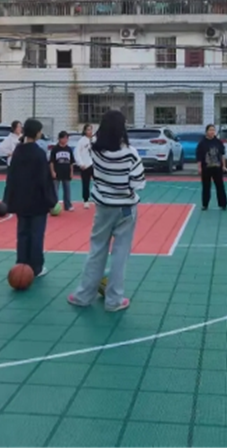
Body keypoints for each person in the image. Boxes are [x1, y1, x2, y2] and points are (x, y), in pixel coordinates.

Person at [68, 110, 145, 312]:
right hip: (125, 208)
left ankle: (83, 296)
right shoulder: (130, 153)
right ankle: (114, 300)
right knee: (120, 254)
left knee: (97, 250)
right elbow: (138, 182)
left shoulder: (95, 150)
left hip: (103, 207)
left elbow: (92, 166)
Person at [4, 119, 58, 277]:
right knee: (36, 235)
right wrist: (51, 201)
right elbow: (44, 180)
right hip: (37, 201)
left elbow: (11, 177)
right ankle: (36, 267)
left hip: (21, 200)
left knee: (22, 234)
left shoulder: (18, 151)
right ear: (37, 133)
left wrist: (9, 199)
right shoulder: (39, 153)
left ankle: (21, 263)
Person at [195, 124, 227, 211]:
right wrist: (199, 168)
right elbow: (199, 157)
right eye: (210, 130)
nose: (212, 132)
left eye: (213, 130)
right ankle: (205, 204)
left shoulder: (218, 142)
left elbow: (222, 155)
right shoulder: (202, 143)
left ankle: (223, 204)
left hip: (217, 168)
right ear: (206, 132)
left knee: (220, 186)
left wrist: (224, 166)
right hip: (206, 168)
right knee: (206, 187)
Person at [50, 131, 75, 212]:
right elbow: (51, 162)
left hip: (66, 172)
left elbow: (71, 162)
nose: (65, 140)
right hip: (57, 172)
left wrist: (71, 172)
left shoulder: (69, 149)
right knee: (55, 190)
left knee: (67, 190)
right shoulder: (55, 149)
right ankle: (54, 205)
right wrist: (52, 171)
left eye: (66, 138)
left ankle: (68, 205)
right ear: (59, 139)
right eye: (64, 138)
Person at [74, 124, 94, 209]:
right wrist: (80, 163)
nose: (90, 131)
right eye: (88, 130)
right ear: (85, 131)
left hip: (94, 164)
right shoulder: (81, 141)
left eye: (91, 129)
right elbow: (77, 153)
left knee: (99, 182)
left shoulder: (94, 140)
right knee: (85, 183)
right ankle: (86, 200)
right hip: (85, 165)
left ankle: (98, 198)